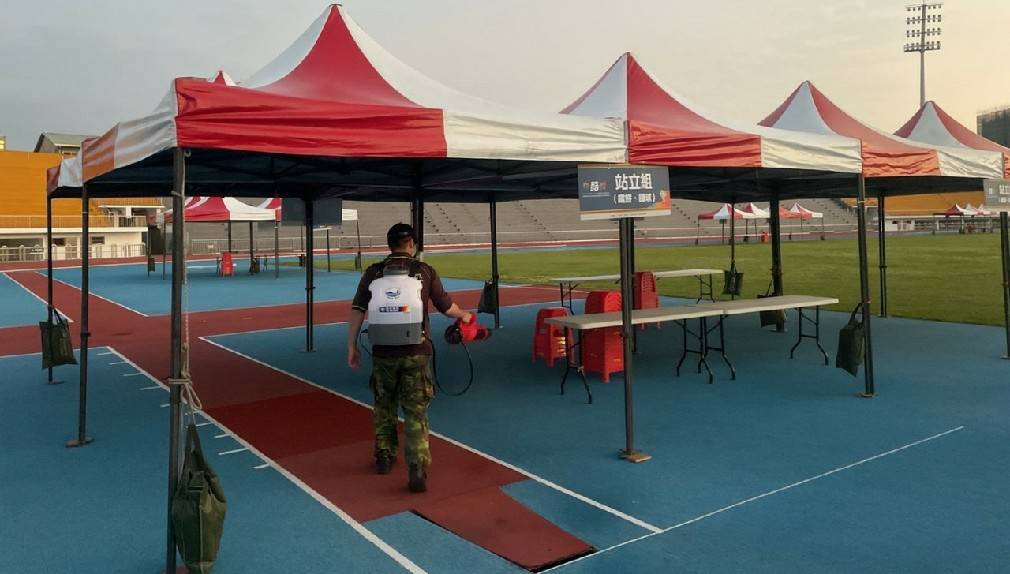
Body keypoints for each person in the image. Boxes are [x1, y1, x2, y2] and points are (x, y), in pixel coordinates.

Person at [347, 223, 473, 493]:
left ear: (389, 244)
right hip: (416, 351)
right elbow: (446, 306)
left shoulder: (373, 272)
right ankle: (416, 466)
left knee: (384, 406)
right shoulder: (424, 271)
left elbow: (357, 309)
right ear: (412, 244)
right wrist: (464, 315)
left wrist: (352, 345)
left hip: (383, 352)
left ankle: (384, 457)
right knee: (416, 411)